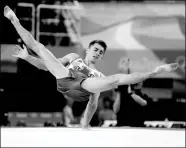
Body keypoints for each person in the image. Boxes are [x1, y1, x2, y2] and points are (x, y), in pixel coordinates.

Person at [4, 5, 179, 128]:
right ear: (88, 49)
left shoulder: (98, 75)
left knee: (115, 78)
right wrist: (27, 57)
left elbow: (93, 104)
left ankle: (156, 70)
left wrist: (85, 124)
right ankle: (15, 21)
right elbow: (45, 67)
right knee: (40, 48)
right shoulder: (73, 57)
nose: (97, 53)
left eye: (101, 52)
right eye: (95, 49)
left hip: (83, 87)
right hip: (65, 77)